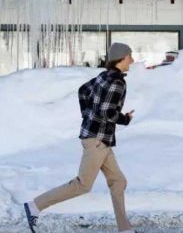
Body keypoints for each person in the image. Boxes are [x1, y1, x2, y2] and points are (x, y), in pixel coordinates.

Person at [23, 43, 137, 233]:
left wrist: (87, 115)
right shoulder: (117, 82)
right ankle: (35, 206)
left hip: (99, 139)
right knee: (83, 185)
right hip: (97, 140)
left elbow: (83, 90)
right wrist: (125, 119)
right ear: (121, 58)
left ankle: (125, 229)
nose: (132, 60)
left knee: (118, 181)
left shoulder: (103, 76)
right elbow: (107, 112)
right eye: (130, 56)